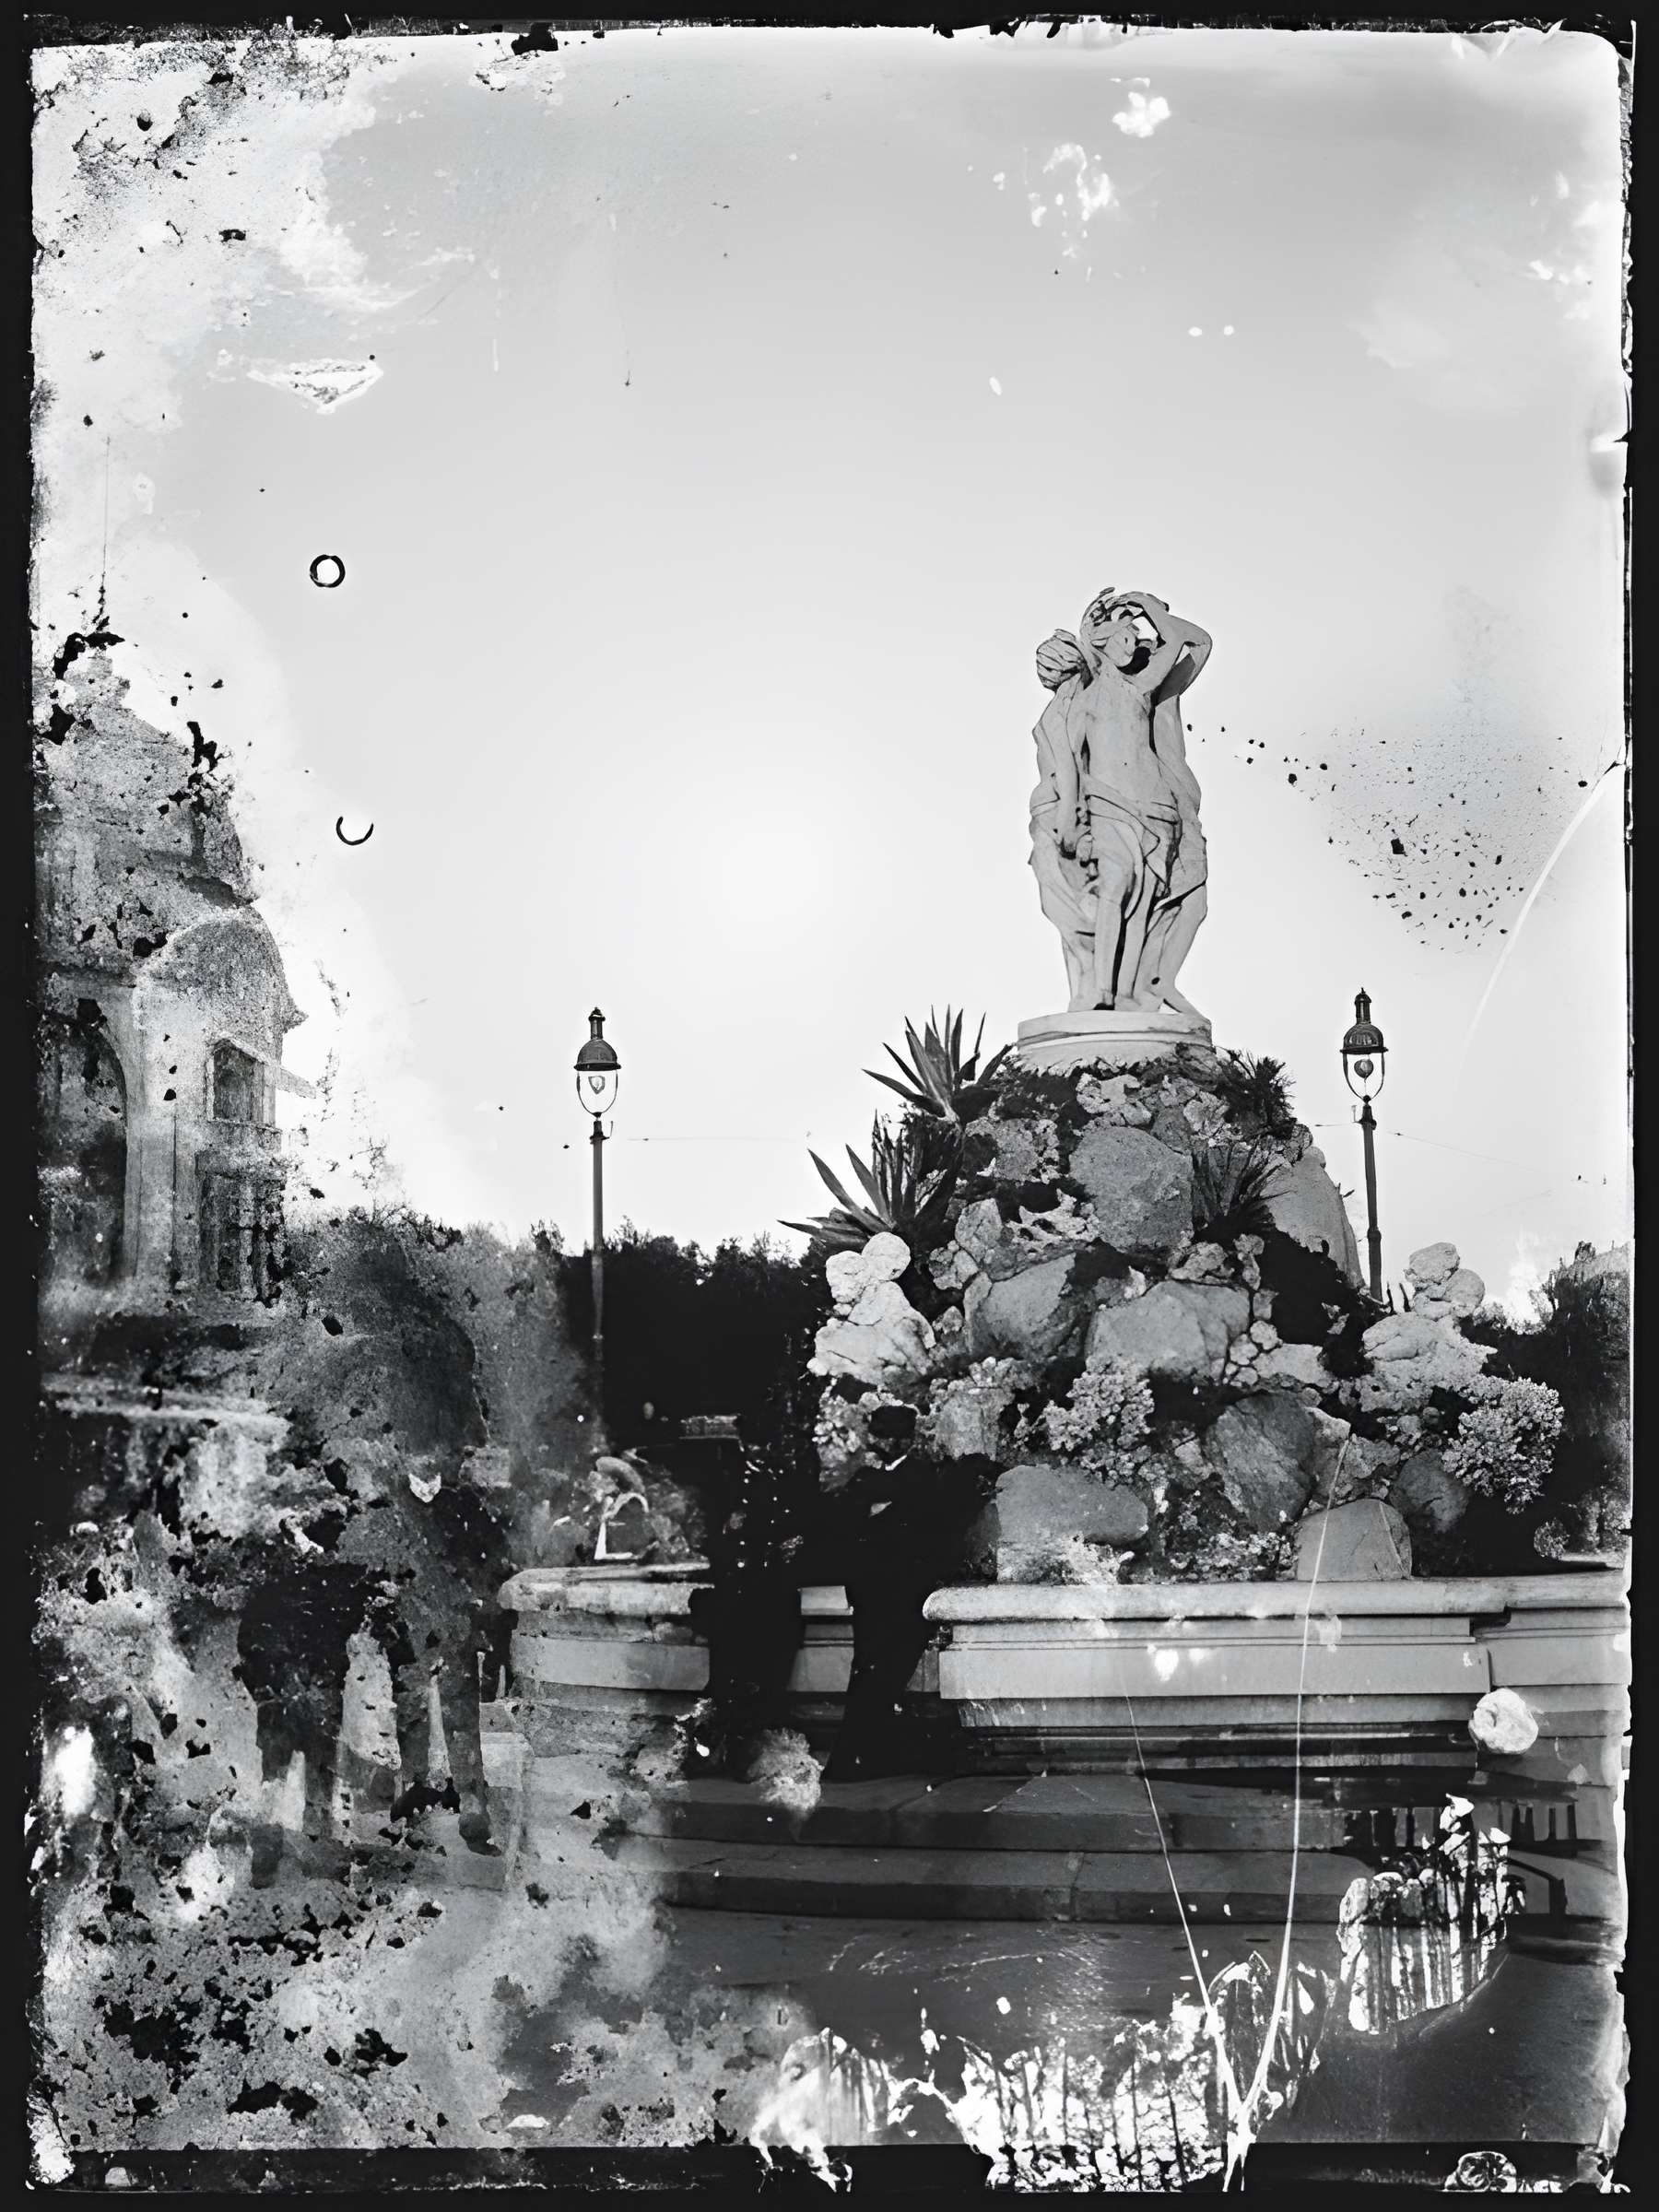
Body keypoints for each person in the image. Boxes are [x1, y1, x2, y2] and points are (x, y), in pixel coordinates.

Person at [1031, 587, 1211, 1013]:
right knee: (1115, 893)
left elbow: (1198, 642)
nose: (1133, 640)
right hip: (1112, 804)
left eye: (1135, 634)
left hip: (1159, 810)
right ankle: (1103, 992)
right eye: (1123, 633)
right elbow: (1069, 757)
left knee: (1144, 903)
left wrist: (1148, 608)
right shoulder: (1086, 697)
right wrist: (1070, 817)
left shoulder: (1146, 689)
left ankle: (1131, 991)